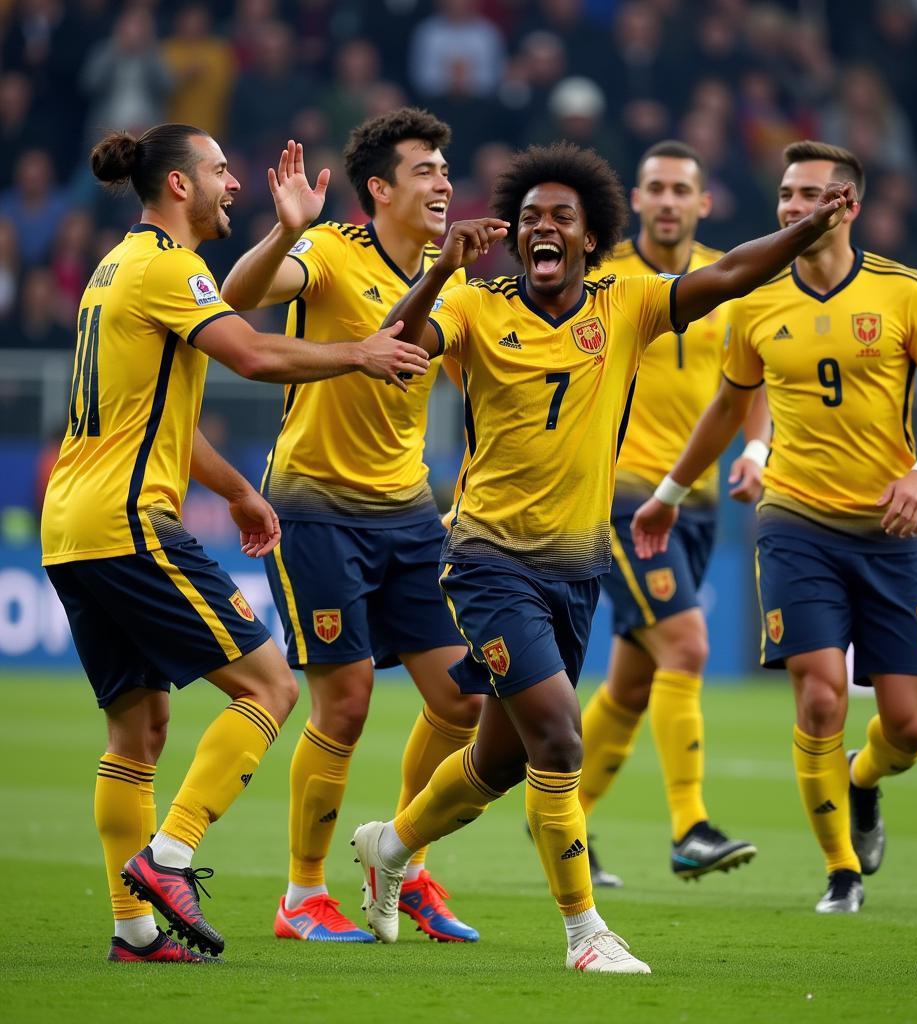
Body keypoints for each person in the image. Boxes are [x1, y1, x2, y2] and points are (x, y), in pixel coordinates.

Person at [349, 141, 853, 973]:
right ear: (514, 236)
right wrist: (440, 271)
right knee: (559, 737)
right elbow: (390, 346)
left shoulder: (628, 303)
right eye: (531, 219)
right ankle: (587, 933)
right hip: (484, 559)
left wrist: (803, 234)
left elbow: (730, 276)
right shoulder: (477, 306)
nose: (545, 227)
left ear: (590, 237)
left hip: (577, 568)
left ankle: (390, 846)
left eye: (563, 218)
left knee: (499, 761)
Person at [40, 123, 429, 964]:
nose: (233, 184)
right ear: (179, 186)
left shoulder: (114, 269)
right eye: (220, 171)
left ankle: (135, 930)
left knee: (136, 731)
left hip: (72, 526)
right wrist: (356, 351)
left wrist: (239, 489)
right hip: (130, 524)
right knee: (270, 684)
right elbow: (251, 354)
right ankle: (170, 854)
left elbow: (153, 417)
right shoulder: (167, 266)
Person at [632, 140, 917, 914]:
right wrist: (670, 489)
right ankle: (841, 874)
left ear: (846, 206)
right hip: (795, 523)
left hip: (890, 529)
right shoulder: (756, 300)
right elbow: (727, 406)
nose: (791, 208)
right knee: (819, 699)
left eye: (808, 196)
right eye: (786, 195)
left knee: (910, 729)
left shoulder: (905, 292)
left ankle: (862, 779)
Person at [221, 108, 481, 944]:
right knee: (347, 703)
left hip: (410, 512)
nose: (444, 181)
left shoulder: (460, 279)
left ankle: (402, 864)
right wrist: (282, 231)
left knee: (461, 699)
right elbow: (238, 300)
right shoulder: (330, 251)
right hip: (316, 507)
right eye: (425, 169)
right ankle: (301, 896)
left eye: (447, 168)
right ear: (380, 188)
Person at [577, 140, 768, 888]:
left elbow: (751, 391)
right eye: (653, 187)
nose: (665, 200)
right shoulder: (605, 281)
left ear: (702, 202)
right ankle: (689, 826)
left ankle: (561, 812)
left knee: (631, 685)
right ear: (637, 198)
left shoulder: (730, 282)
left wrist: (759, 451)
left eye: (679, 189)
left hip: (698, 506)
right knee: (687, 646)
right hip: (623, 500)